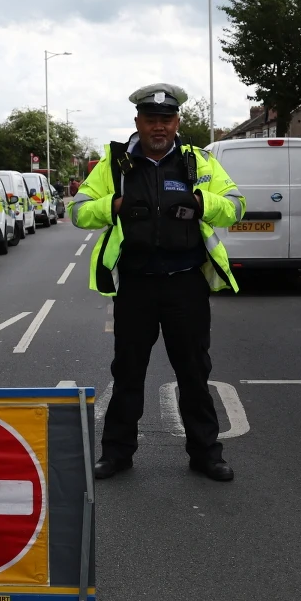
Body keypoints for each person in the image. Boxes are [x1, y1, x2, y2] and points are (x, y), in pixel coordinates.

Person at [67, 83, 246, 482]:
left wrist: (202, 202)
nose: (159, 127)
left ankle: (205, 453)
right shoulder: (114, 164)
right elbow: (78, 212)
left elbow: (235, 206)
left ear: (177, 122)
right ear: (138, 122)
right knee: (127, 372)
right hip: (136, 285)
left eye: (166, 120)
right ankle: (116, 453)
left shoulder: (197, 162)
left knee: (194, 373)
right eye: (151, 120)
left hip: (186, 284)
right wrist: (112, 206)